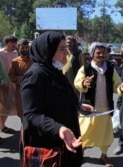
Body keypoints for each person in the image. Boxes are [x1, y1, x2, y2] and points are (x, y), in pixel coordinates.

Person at [20, 31, 92, 167]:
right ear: (47, 51)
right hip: (48, 146)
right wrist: (58, 129)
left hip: (66, 142)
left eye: (67, 48)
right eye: (62, 49)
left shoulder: (54, 71)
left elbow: (63, 95)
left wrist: (78, 106)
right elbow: (31, 114)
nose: (67, 53)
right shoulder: (35, 76)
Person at [74, 42, 123, 167]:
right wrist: (83, 83)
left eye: (103, 52)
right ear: (92, 54)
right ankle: (80, 152)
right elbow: (77, 82)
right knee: (84, 131)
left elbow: (117, 85)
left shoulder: (110, 68)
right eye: (98, 53)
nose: (101, 55)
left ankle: (104, 155)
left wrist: (121, 88)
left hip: (105, 108)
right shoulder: (85, 68)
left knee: (105, 134)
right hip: (89, 107)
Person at [8, 38, 33, 120]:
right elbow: (11, 76)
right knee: (22, 113)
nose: (25, 50)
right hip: (20, 91)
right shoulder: (15, 61)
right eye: (23, 48)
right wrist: (22, 79)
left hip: (33, 89)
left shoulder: (34, 60)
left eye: (26, 48)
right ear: (18, 48)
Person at [0, 35, 18, 134]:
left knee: (9, 106)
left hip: (13, 83)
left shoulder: (16, 53)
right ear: (7, 43)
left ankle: (2, 126)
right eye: (12, 43)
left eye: (15, 43)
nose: (14, 45)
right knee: (2, 105)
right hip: (2, 84)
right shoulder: (1, 53)